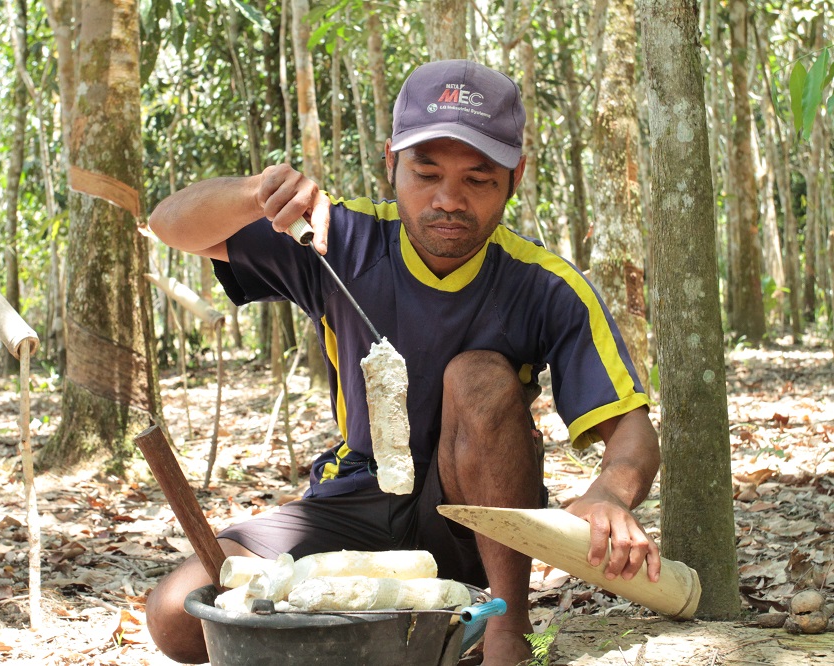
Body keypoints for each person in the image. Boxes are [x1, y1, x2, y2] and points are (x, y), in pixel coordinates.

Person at [145, 59, 661, 666]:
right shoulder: (339, 238)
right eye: (426, 172)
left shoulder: (544, 287)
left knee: (476, 376)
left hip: (474, 520)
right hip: (354, 496)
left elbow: (630, 429)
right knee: (180, 616)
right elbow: (167, 224)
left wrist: (610, 492)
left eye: (479, 178)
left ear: (516, 177)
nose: (449, 200)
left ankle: (508, 629)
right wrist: (256, 195)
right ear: (391, 161)